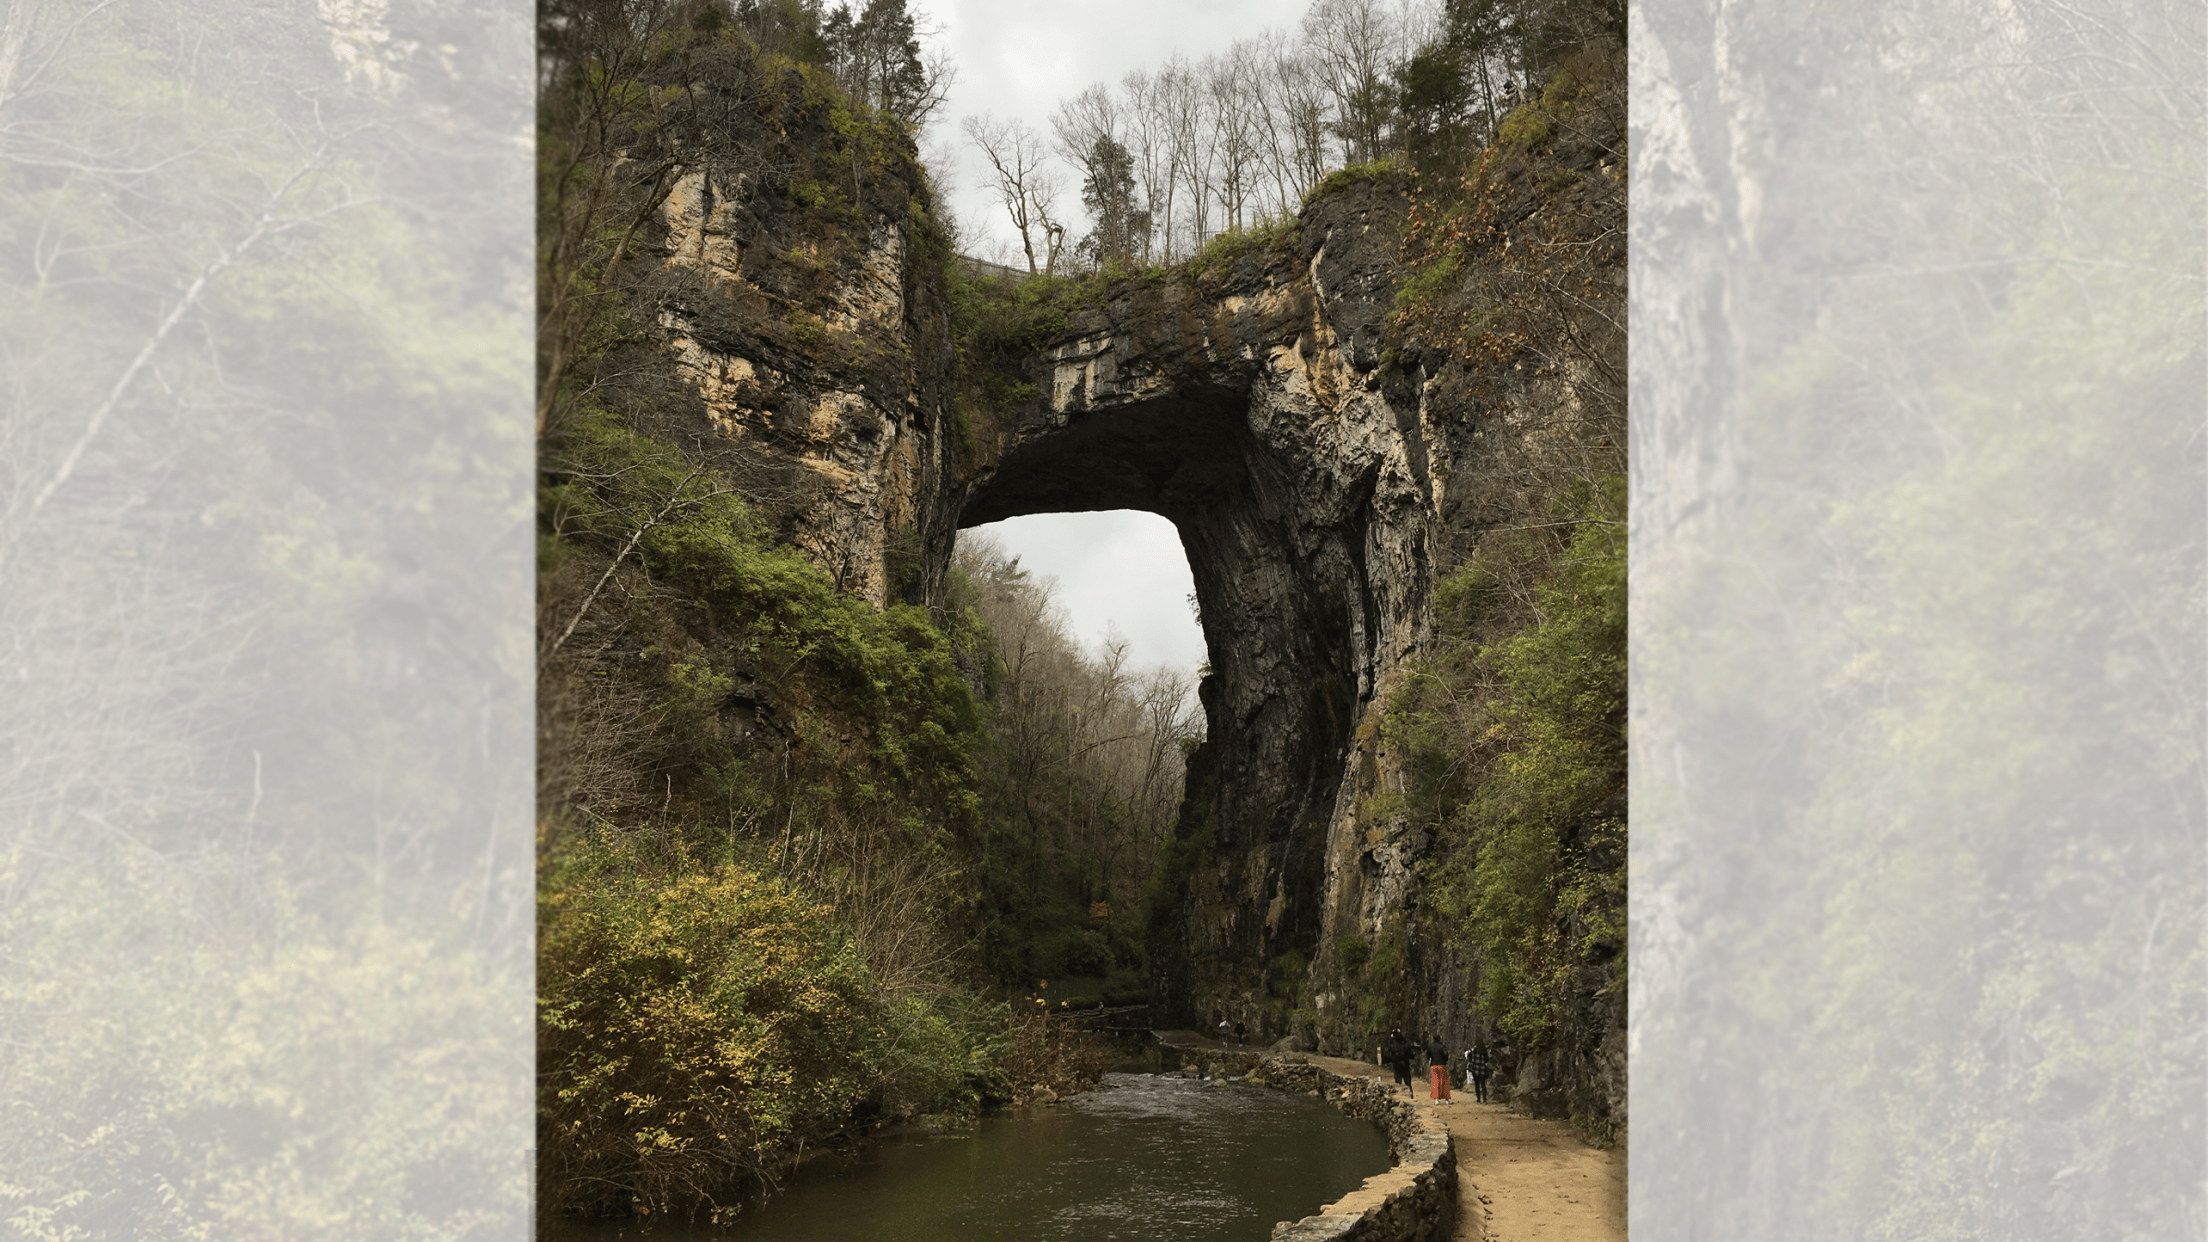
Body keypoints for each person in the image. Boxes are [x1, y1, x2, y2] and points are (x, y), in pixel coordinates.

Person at [1383, 1028, 1414, 1096]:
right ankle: (1410, 1094)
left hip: (1396, 1066)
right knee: (1408, 1083)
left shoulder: (1393, 1046)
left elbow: (1388, 1044)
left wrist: (1391, 1037)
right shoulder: (1405, 1046)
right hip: (1405, 1066)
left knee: (1398, 1083)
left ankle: (1400, 1096)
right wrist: (1401, 1035)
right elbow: (1408, 1043)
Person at [1427, 1035, 1452, 1104]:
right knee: (1444, 1082)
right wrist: (1445, 1061)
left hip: (1433, 1065)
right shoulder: (1442, 1046)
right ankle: (1446, 1100)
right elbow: (1446, 1054)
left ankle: (1436, 1100)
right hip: (1441, 1065)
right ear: (1439, 1039)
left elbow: (1428, 1055)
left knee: (1435, 1082)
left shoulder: (1430, 1046)